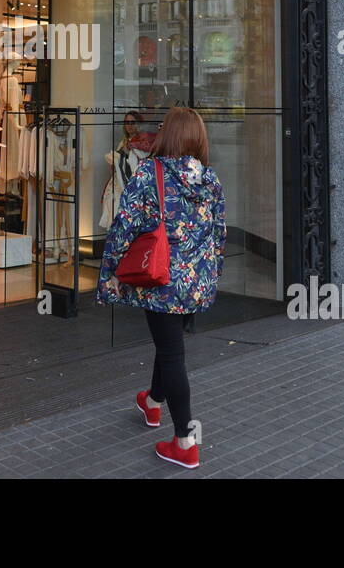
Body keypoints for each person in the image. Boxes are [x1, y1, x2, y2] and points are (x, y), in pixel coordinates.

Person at [97, 107, 225, 469]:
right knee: (169, 347)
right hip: (196, 283)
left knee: (172, 356)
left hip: (161, 281)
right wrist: (212, 277)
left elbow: (123, 227)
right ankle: (152, 403)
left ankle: (185, 442)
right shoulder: (210, 178)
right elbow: (219, 233)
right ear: (197, 137)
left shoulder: (149, 174)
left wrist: (110, 272)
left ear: (166, 135)